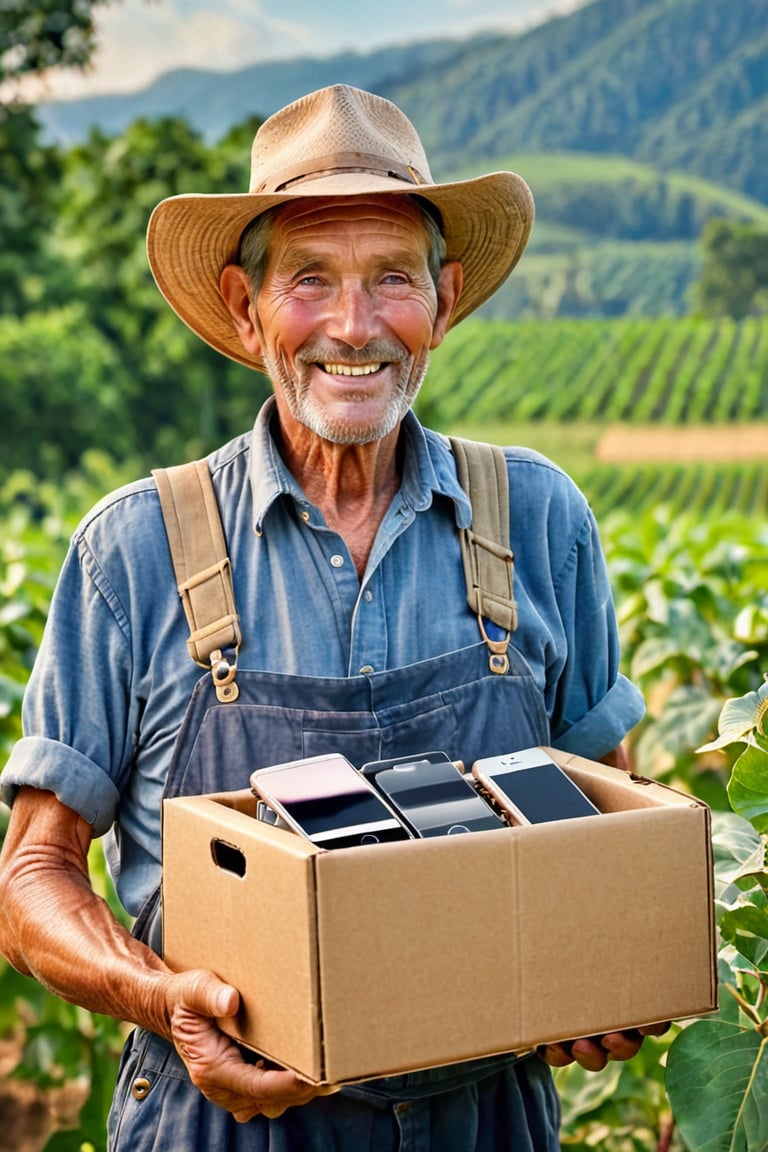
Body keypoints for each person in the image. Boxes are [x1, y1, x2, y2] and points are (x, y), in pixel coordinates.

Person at [0, 84, 662, 1151]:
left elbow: (600, 819)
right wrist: (162, 998)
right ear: (244, 306)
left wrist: (607, 970)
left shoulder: (539, 519)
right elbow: (32, 875)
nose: (354, 329)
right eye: (310, 280)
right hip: (214, 1122)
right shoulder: (133, 550)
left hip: (480, 1124)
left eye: (391, 278)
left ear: (443, 301)